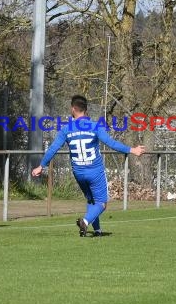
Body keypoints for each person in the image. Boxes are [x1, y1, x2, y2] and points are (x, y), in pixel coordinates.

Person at [32, 95, 146, 237]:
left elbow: (53, 148)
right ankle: (85, 222)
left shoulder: (66, 129)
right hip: (95, 171)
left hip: (79, 173)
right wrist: (132, 150)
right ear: (86, 110)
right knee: (102, 203)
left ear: (73, 109)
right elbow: (111, 143)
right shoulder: (94, 126)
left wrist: (41, 166)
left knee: (91, 200)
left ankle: (97, 230)